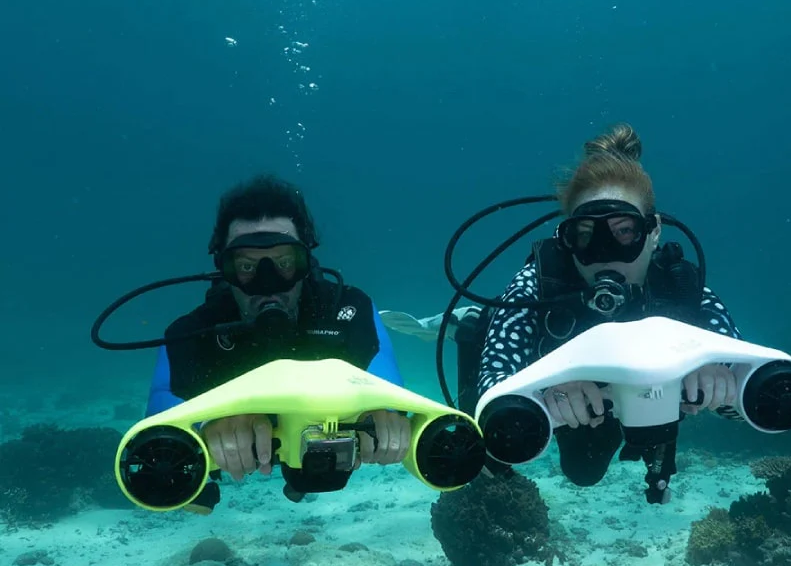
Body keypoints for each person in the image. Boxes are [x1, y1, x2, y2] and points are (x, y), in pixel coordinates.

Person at [383, 123, 742, 489]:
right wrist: (544, 391)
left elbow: (749, 393)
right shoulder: (538, 283)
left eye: (624, 232)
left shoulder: (679, 285)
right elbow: (493, 385)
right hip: (569, 398)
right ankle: (475, 326)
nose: (604, 255)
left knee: (608, 461)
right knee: (575, 469)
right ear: (566, 239)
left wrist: (719, 380)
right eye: (585, 235)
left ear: (654, 232)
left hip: (637, 398)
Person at [147, 174, 411, 513]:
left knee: (318, 474)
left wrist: (383, 414)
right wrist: (203, 425)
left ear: (306, 263)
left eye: (285, 263)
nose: (267, 284)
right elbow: (159, 414)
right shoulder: (192, 332)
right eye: (247, 267)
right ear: (224, 268)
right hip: (243, 441)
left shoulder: (348, 309)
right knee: (185, 493)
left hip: (320, 435)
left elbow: (389, 385)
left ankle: (304, 476)